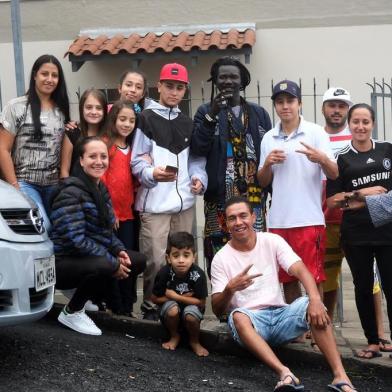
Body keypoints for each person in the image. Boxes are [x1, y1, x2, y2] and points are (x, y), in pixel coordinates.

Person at [211, 196, 356, 392]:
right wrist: (230, 289)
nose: (238, 222)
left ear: (253, 217)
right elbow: (217, 309)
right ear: (225, 223)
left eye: (243, 216)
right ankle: (284, 373)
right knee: (238, 316)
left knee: (312, 304)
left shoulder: (271, 240)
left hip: (280, 316)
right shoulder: (221, 258)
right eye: (232, 218)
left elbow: (300, 269)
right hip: (251, 323)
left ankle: (341, 376)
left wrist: (314, 299)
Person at [131, 63, 207, 320]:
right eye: (169, 86)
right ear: (159, 86)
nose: (174, 92)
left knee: (184, 260)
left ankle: (181, 305)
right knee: (155, 259)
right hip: (154, 204)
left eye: (179, 87)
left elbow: (196, 161)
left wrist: (198, 179)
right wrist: (152, 174)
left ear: (185, 90)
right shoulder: (144, 119)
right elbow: (137, 161)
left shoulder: (188, 122)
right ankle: (152, 306)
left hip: (184, 204)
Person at [50, 137, 146, 335]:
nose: (99, 161)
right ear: (81, 160)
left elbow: (105, 233)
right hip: (61, 263)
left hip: (84, 258)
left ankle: (84, 297)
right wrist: (112, 262)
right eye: (92, 156)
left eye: (103, 156)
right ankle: (72, 311)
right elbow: (75, 240)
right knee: (104, 265)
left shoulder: (99, 188)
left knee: (137, 261)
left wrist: (119, 251)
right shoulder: (70, 192)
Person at [257, 80, 337, 306]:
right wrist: (267, 165)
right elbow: (263, 181)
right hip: (279, 220)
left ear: (299, 103)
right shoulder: (269, 137)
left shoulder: (315, 132)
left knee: (313, 277)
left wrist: (320, 158)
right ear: (275, 106)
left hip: (309, 218)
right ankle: (297, 328)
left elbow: (334, 173)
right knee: (287, 278)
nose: (285, 106)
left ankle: (316, 327)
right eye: (280, 102)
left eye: (290, 101)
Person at [191, 56, 271, 276]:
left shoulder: (259, 113)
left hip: (253, 199)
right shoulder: (204, 111)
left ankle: (255, 302)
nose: (228, 81)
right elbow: (198, 147)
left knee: (254, 250)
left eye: (233, 76)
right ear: (215, 81)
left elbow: (267, 152)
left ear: (242, 81)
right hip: (219, 199)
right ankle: (225, 302)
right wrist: (212, 115)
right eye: (222, 77)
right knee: (220, 253)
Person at [326, 103, 392, 359]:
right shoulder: (341, 158)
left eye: (365, 122)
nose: (361, 127)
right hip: (356, 234)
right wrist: (360, 194)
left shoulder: (387, 150)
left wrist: (355, 202)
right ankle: (373, 342)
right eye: (356, 122)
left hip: (387, 232)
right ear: (349, 124)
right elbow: (333, 201)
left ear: (372, 123)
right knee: (363, 287)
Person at [0, 54, 70, 232]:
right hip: (25, 183)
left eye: (54, 75)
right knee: (42, 225)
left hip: (53, 185)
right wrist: (15, 187)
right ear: (34, 75)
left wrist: (64, 176)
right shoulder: (16, 107)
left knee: (60, 228)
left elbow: (65, 143)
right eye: (44, 74)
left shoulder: (61, 109)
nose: (49, 79)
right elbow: (3, 149)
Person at [101, 100, 139, 315]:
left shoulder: (131, 148)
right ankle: (115, 306)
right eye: (122, 119)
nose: (127, 124)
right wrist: (109, 211)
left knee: (127, 261)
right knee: (113, 262)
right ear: (113, 120)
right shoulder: (106, 145)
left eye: (131, 120)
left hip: (128, 215)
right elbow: (103, 180)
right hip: (112, 216)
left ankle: (126, 306)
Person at [321, 87, 352, 321]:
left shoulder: (358, 137)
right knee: (327, 274)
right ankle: (326, 322)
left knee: (369, 277)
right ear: (323, 108)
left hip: (355, 217)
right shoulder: (314, 136)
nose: (336, 110)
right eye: (332, 105)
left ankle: (379, 333)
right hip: (324, 216)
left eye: (342, 106)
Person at [151, 232, 209, 356]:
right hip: (170, 313)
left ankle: (194, 341)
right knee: (172, 309)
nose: (181, 260)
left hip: (192, 311)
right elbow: (154, 299)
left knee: (191, 314)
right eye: (176, 256)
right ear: (168, 258)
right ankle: (174, 336)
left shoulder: (198, 275)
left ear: (194, 257)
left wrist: (175, 296)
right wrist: (179, 298)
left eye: (186, 255)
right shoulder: (164, 273)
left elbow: (202, 302)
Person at [60, 88, 108, 178]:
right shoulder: (72, 133)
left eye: (98, 108)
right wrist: (67, 190)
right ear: (82, 109)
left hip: (104, 189)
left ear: (104, 111)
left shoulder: (109, 135)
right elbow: (64, 171)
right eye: (89, 107)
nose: (94, 112)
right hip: (76, 189)